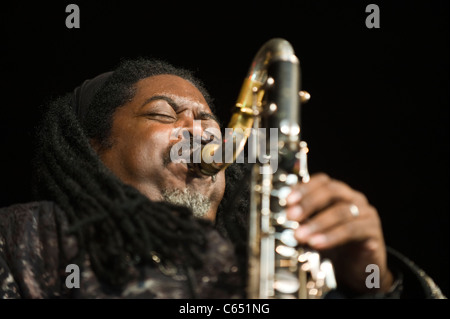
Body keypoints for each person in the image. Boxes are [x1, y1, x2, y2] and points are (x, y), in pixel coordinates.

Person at [0, 58, 445, 299]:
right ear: (92, 149)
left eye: (208, 120)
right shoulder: (24, 239)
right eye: (162, 114)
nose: (201, 132)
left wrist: (379, 286)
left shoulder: (268, 265)